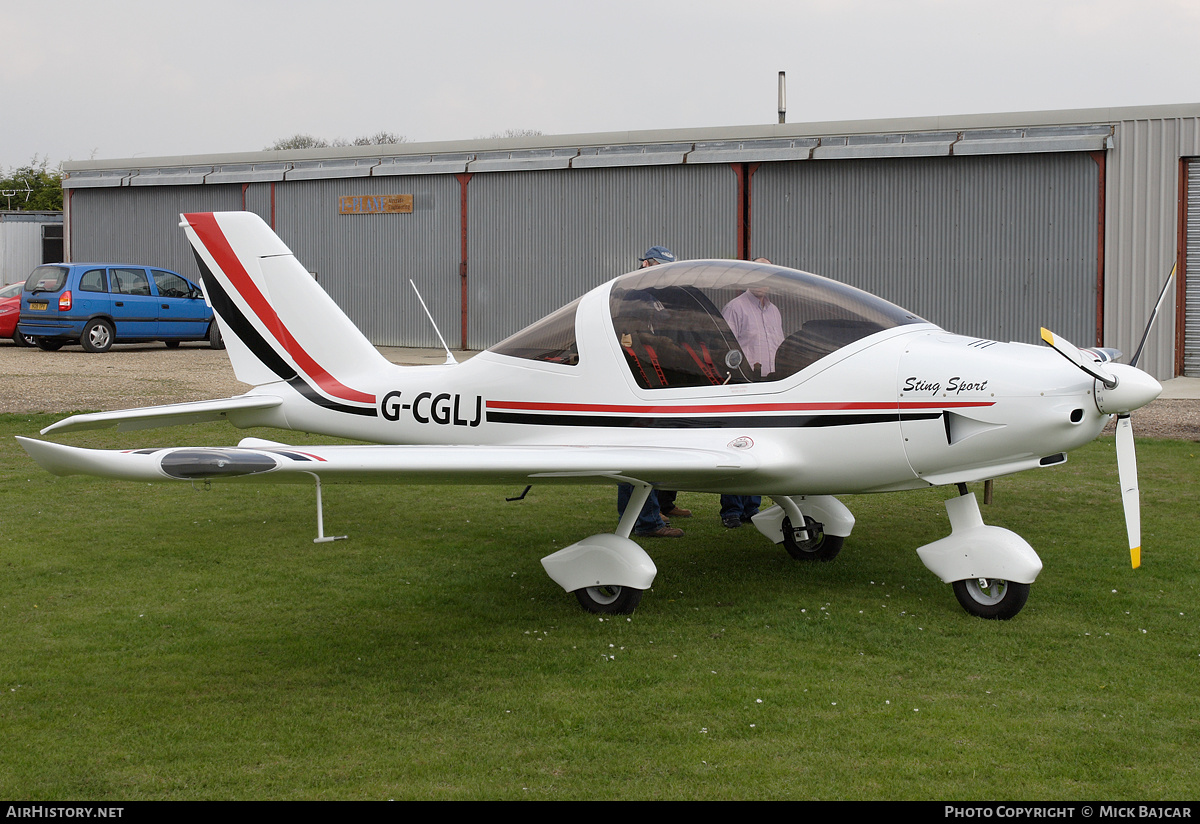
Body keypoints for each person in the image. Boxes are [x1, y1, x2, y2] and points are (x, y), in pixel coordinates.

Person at [615, 245, 689, 537]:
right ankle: (645, 521)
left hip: (656, 374)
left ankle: (663, 504)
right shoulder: (632, 294)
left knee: (667, 444)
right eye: (659, 266)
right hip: (637, 376)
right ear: (646, 264)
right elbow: (634, 335)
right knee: (639, 451)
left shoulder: (659, 296)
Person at [717, 257, 783, 528]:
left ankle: (751, 509)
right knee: (737, 445)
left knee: (759, 447)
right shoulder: (735, 308)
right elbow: (720, 347)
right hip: (742, 385)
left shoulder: (775, 311)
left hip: (768, 385)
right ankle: (731, 510)